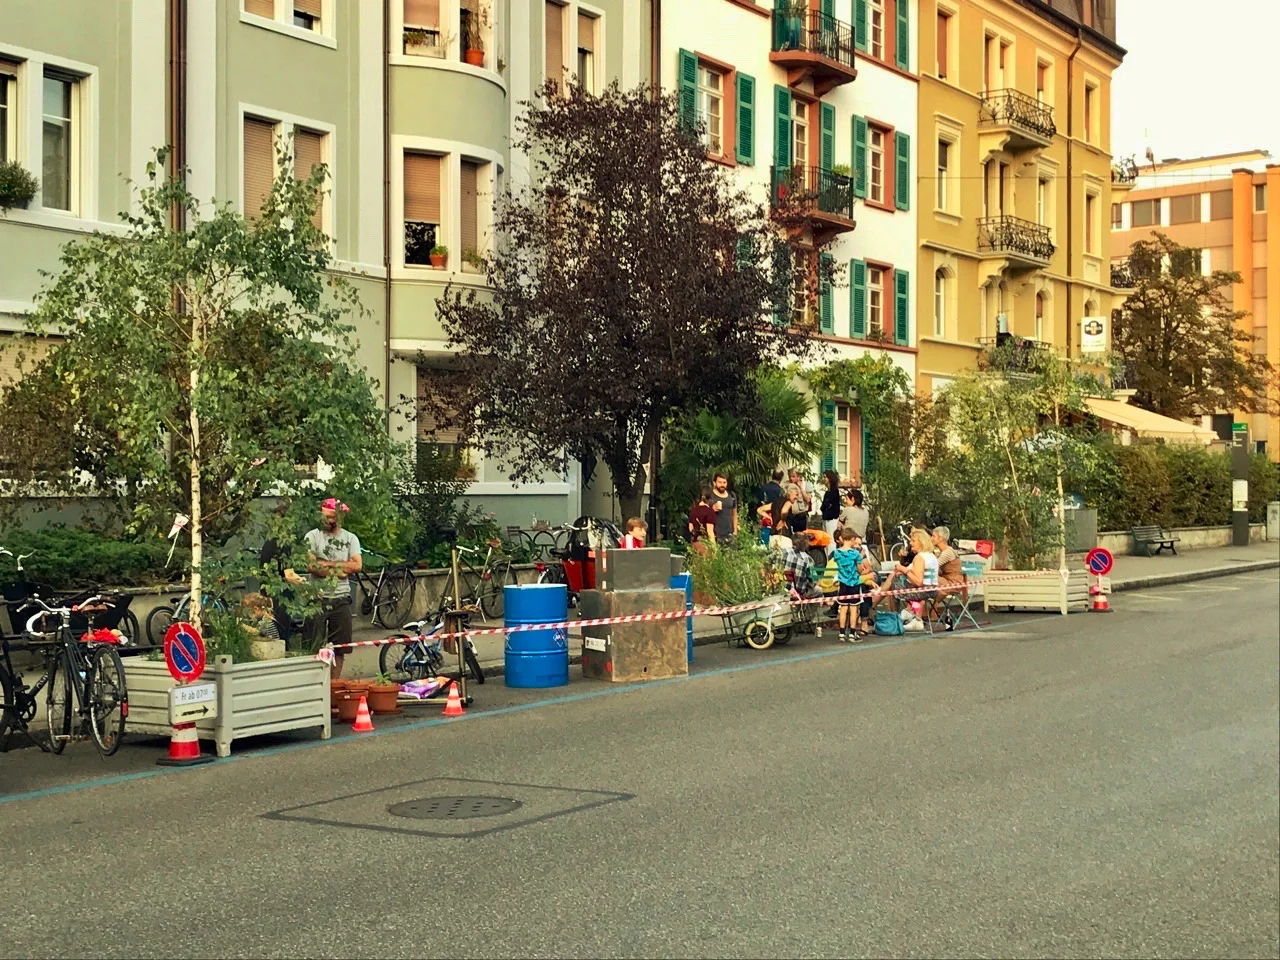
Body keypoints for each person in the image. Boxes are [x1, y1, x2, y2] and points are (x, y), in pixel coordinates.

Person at [305, 497, 362, 678]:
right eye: (325, 517)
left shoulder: (350, 538)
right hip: (317, 599)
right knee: (313, 646)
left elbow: (357, 565)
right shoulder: (312, 536)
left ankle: (334, 684)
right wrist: (341, 569)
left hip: (341, 599)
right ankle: (316, 686)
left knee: (340, 648)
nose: (329, 521)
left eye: (332, 517)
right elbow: (312, 566)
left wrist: (325, 565)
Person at [259, 500, 305, 646]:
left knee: (269, 637)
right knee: (281, 639)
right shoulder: (283, 544)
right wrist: (308, 586)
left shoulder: (269, 542)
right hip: (280, 598)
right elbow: (289, 575)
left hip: (267, 596)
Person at [833, 528, 872, 643]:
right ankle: (852, 633)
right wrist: (859, 570)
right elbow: (860, 569)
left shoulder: (837, 553)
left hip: (843, 583)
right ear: (851, 539)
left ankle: (841, 633)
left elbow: (838, 563)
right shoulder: (855, 554)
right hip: (854, 583)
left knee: (843, 608)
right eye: (854, 540)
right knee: (854, 608)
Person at [931, 525, 966, 631]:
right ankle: (930, 613)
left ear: (940, 538)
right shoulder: (946, 551)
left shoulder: (947, 553)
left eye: (933, 536)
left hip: (953, 582)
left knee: (926, 580)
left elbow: (933, 566)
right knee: (929, 580)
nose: (931, 538)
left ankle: (917, 613)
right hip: (948, 579)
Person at [708, 473, 738, 544]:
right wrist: (712, 509)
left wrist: (735, 531)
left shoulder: (732, 495)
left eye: (724, 482)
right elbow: (703, 513)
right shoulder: (710, 496)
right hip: (715, 535)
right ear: (714, 483)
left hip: (730, 535)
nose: (722, 485)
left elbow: (734, 513)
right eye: (720, 482)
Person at [787, 468, 812, 534]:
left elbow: (808, 499)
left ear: (798, 477)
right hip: (790, 515)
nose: (791, 478)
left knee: (801, 535)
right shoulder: (787, 485)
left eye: (793, 476)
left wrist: (801, 488)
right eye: (790, 476)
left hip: (801, 515)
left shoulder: (805, 484)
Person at [819, 470, 842, 536]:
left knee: (831, 538)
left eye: (825, 477)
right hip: (826, 518)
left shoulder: (834, 491)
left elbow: (833, 506)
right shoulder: (827, 492)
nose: (824, 479)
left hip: (831, 519)